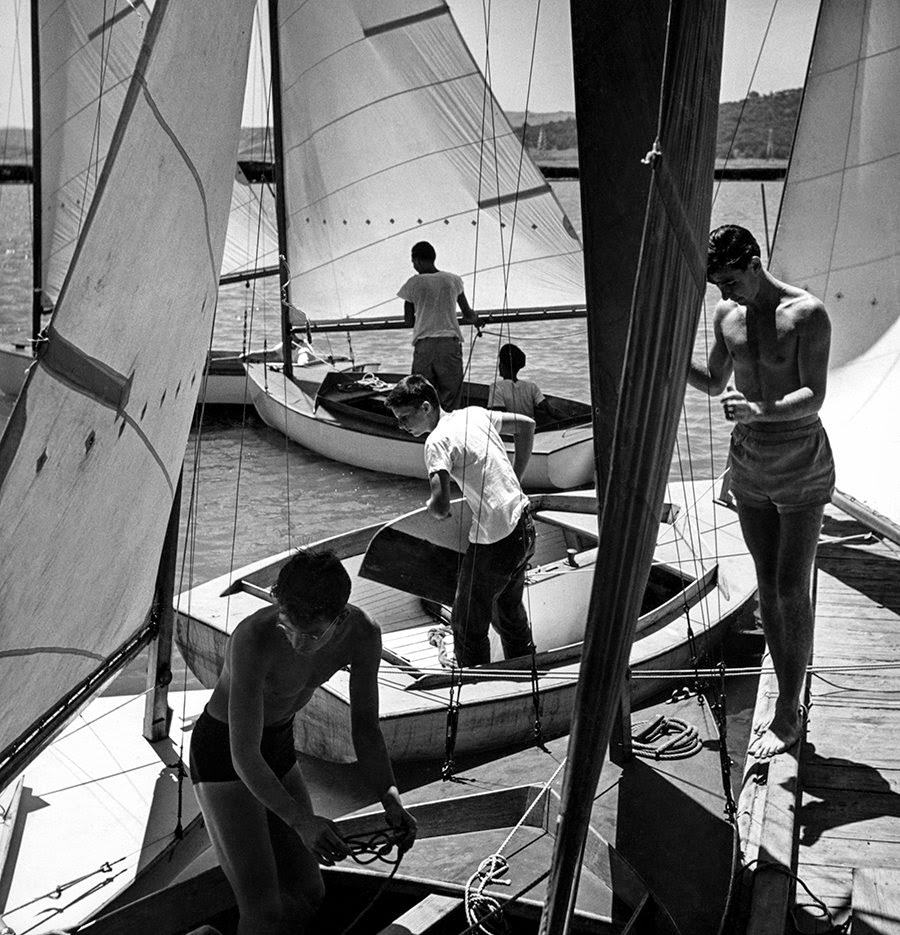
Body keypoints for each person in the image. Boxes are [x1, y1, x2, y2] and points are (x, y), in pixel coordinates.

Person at [189, 549, 417, 935]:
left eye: (311, 634)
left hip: (278, 743)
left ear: (341, 618)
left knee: (309, 892)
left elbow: (365, 728)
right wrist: (300, 821)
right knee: (264, 910)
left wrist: (390, 795)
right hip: (223, 752)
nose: (296, 642)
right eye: (288, 627)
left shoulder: (363, 634)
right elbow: (243, 752)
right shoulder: (252, 639)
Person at [687, 224, 835, 760]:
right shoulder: (727, 315)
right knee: (767, 586)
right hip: (749, 463)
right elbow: (712, 379)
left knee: (793, 587)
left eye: (730, 280)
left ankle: (788, 710)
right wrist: (670, 352)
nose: (725, 294)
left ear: (754, 262)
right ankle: (788, 696)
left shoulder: (807, 314)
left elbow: (814, 395)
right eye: (717, 286)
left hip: (799, 461)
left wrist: (760, 410)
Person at [385, 374, 536, 668]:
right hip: (524, 525)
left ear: (427, 407)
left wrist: (434, 505)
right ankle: (525, 670)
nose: (402, 426)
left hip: (496, 540)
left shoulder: (435, 442)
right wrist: (517, 477)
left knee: (466, 623)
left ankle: (474, 685)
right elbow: (527, 425)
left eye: (405, 418)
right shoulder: (474, 414)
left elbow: (441, 507)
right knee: (508, 611)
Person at [397, 241, 479, 410]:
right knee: (451, 394)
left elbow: (409, 321)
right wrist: (478, 320)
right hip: (449, 344)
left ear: (417, 260)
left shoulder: (413, 283)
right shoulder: (453, 280)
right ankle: (448, 430)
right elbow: (468, 314)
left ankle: (426, 430)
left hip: (424, 345)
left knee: (421, 393)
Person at [488, 343, 563, 420]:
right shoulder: (531, 387)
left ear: (502, 365)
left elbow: (497, 417)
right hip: (529, 429)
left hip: (508, 430)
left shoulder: (496, 387)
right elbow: (550, 410)